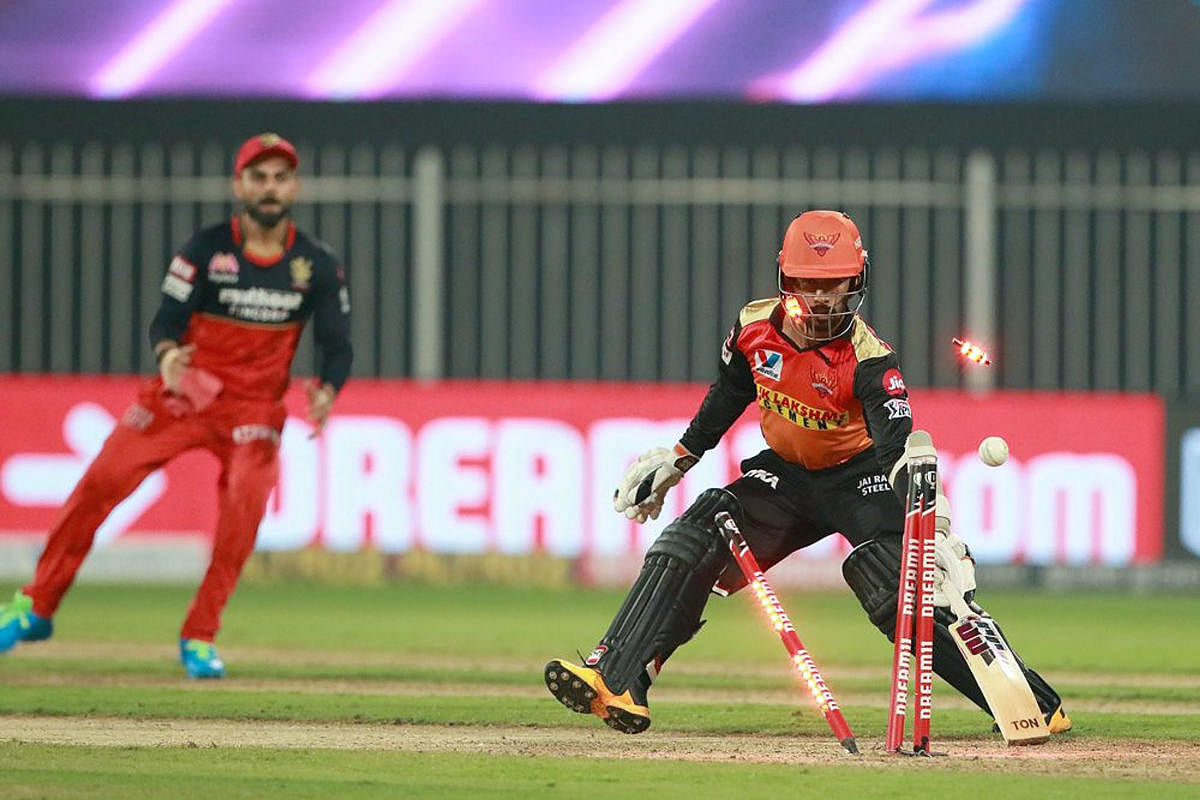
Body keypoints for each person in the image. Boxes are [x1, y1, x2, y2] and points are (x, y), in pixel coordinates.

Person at [544, 209, 1070, 736]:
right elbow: (731, 392)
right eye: (807, 285)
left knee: (899, 588)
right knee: (700, 531)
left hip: (862, 479)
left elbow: (894, 447)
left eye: (833, 285)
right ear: (785, 278)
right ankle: (619, 679)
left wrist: (925, 504)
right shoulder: (753, 327)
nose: (820, 299)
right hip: (786, 480)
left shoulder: (870, 359)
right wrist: (681, 457)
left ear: (855, 281)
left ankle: (1031, 703)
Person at [0, 132, 353, 678]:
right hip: (183, 395)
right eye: (258, 177)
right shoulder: (207, 249)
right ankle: (37, 605)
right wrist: (167, 355)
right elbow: (166, 321)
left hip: (253, 411)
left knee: (243, 511)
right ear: (239, 185)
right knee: (98, 484)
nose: (269, 187)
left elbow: (336, 342)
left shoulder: (317, 265)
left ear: (294, 188)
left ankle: (199, 635)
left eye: (280, 178)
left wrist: (328, 388)